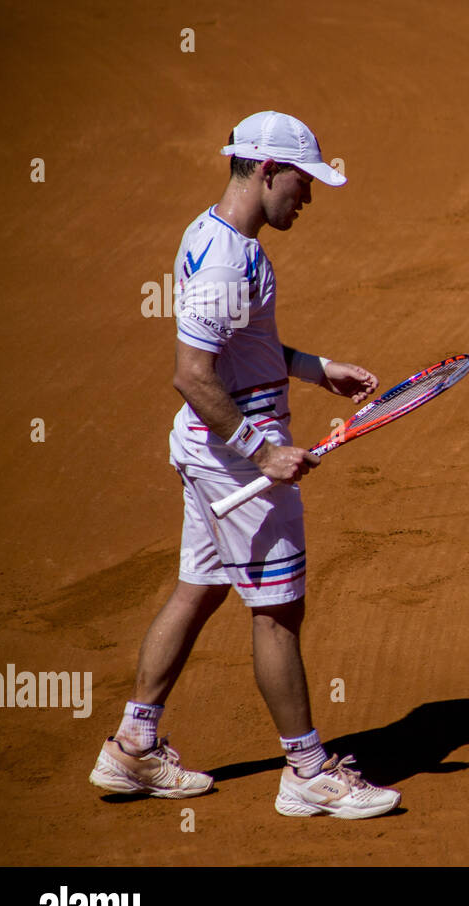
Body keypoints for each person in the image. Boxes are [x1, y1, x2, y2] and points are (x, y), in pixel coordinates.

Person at [89, 111, 401, 820]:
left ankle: (132, 748)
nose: (310, 196)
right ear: (266, 171)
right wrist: (263, 450)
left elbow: (244, 348)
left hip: (208, 451)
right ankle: (308, 772)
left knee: (197, 589)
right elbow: (192, 373)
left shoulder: (213, 235)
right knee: (278, 613)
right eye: (303, 181)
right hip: (238, 462)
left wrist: (316, 369)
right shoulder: (232, 259)